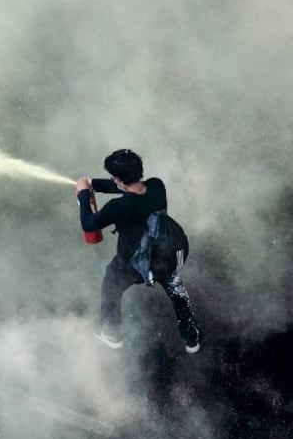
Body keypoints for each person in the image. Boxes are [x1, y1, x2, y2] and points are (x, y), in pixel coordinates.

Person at [75, 149, 201, 353]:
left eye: (114, 177)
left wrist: (82, 194)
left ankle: (112, 334)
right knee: (178, 294)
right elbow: (127, 189)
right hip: (164, 257)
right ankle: (192, 339)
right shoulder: (157, 186)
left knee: (110, 284)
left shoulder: (119, 207)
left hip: (132, 264)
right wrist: (94, 184)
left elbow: (89, 224)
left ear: (118, 178)